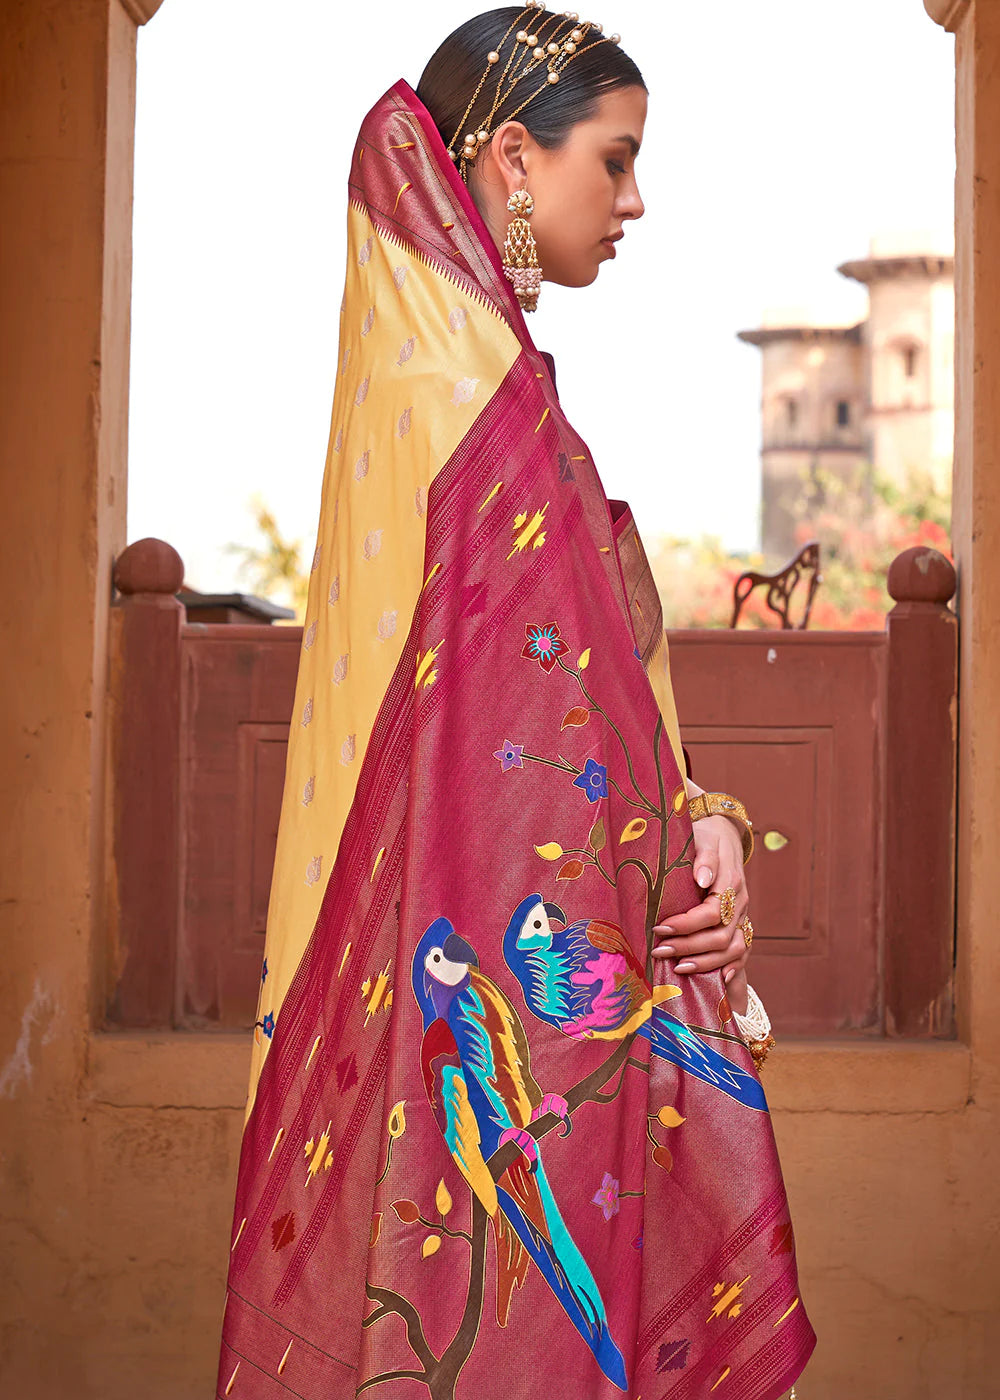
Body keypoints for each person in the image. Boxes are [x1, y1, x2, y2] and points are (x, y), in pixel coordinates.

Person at [218, 8, 815, 1397]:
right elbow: (513, 744)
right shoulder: (464, 395)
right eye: (615, 159)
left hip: (547, 959)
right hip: (497, 973)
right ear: (509, 159)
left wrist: (702, 823)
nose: (636, 198)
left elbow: (586, 692)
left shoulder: (494, 387)